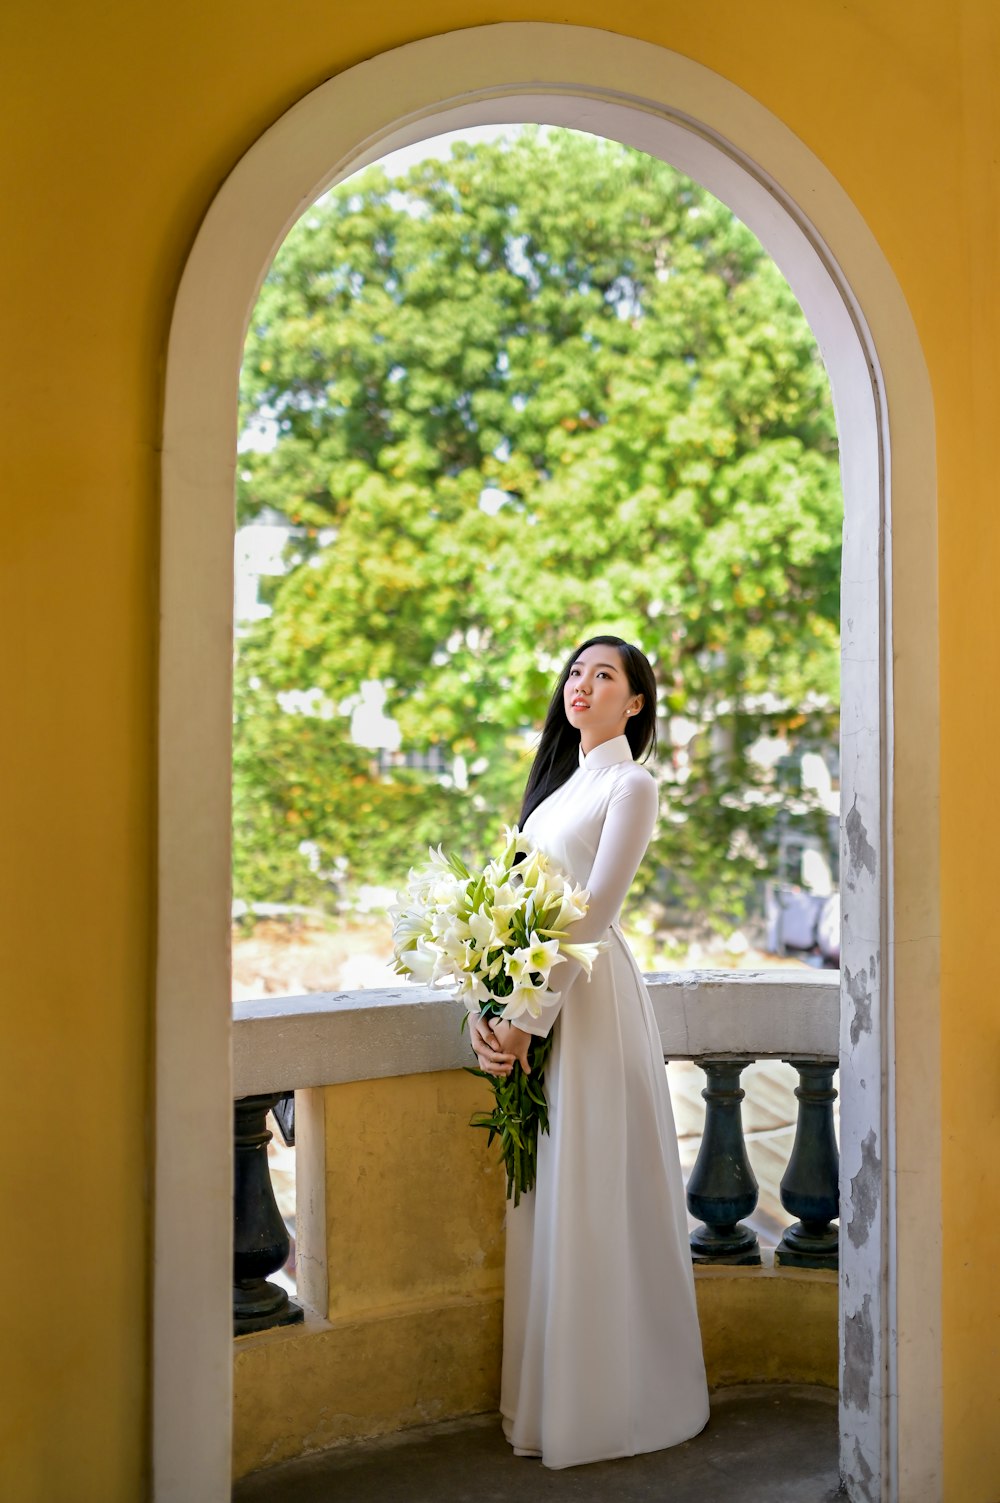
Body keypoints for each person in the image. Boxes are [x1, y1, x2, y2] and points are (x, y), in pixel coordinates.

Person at [470, 634, 710, 1469]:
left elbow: (595, 909)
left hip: (591, 1006)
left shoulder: (631, 784)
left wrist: (525, 1020)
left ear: (635, 702)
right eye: (576, 670)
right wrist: (489, 1007)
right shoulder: (554, 793)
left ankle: (620, 1401)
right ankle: (555, 1394)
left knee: (595, 1190)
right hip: (545, 1001)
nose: (583, 683)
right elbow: (512, 917)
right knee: (550, 1199)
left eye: (604, 674)